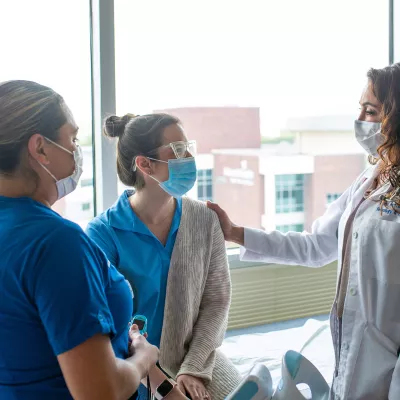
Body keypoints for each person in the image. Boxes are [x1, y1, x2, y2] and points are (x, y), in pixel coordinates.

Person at [208, 62, 400, 400]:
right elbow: (315, 246)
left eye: (370, 110)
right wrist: (236, 233)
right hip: (353, 350)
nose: (360, 120)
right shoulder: (366, 182)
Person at [0, 80, 186, 400]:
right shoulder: (56, 242)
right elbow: (101, 392)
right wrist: (144, 357)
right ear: (40, 148)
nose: (76, 150)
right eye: (71, 138)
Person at [86, 113, 241, 400]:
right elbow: (108, 328)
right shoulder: (103, 234)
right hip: (133, 366)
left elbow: (216, 303)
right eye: (179, 150)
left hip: (194, 360)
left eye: (188, 147)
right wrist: (162, 384)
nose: (190, 157)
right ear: (145, 164)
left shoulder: (204, 221)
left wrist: (192, 368)